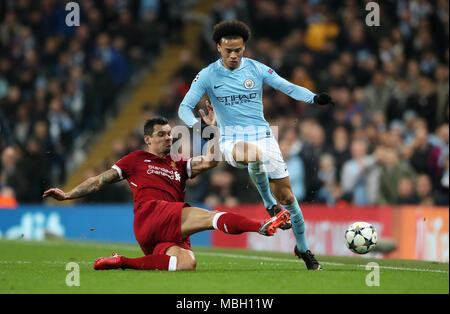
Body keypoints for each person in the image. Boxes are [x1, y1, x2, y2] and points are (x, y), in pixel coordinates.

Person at [178, 20, 334, 270]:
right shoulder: (207, 75)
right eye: (228, 50)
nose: (233, 55)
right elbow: (184, 107)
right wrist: (202, 129)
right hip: (231, 140)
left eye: (238, 50)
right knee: (254, 155)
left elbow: (287, 86)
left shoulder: (256, 69)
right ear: (218, 47)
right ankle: (269, 204)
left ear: (244, 48)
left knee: (289, 197)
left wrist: (314, 98)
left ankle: (303, 248)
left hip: (263, 136)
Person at [42, 117, 290, 271]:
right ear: (148, 139)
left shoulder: (178, 163)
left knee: (185, 264)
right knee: (209, 217)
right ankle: (261, 225)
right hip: (151, 215)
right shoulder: (135, 159)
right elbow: (99, 181)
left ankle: (122, 261)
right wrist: (67, 195)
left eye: (170, 134)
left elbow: (211, 161)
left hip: (161, 232)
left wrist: (213, 128)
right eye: (161, 134)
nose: (168, 138)